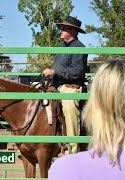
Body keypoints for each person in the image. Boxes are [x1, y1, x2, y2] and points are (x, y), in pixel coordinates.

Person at [43, 16, 88, 154]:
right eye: (61, 28)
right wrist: (47, 79)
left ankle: (72, 148)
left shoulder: (80, 48)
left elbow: (77, 72)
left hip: (72, 86)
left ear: (73, 31)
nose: (60, 31)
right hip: (56, 86)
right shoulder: (61, 48)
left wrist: (55, 71)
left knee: (69, 109)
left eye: (64, 28)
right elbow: (56, 70)